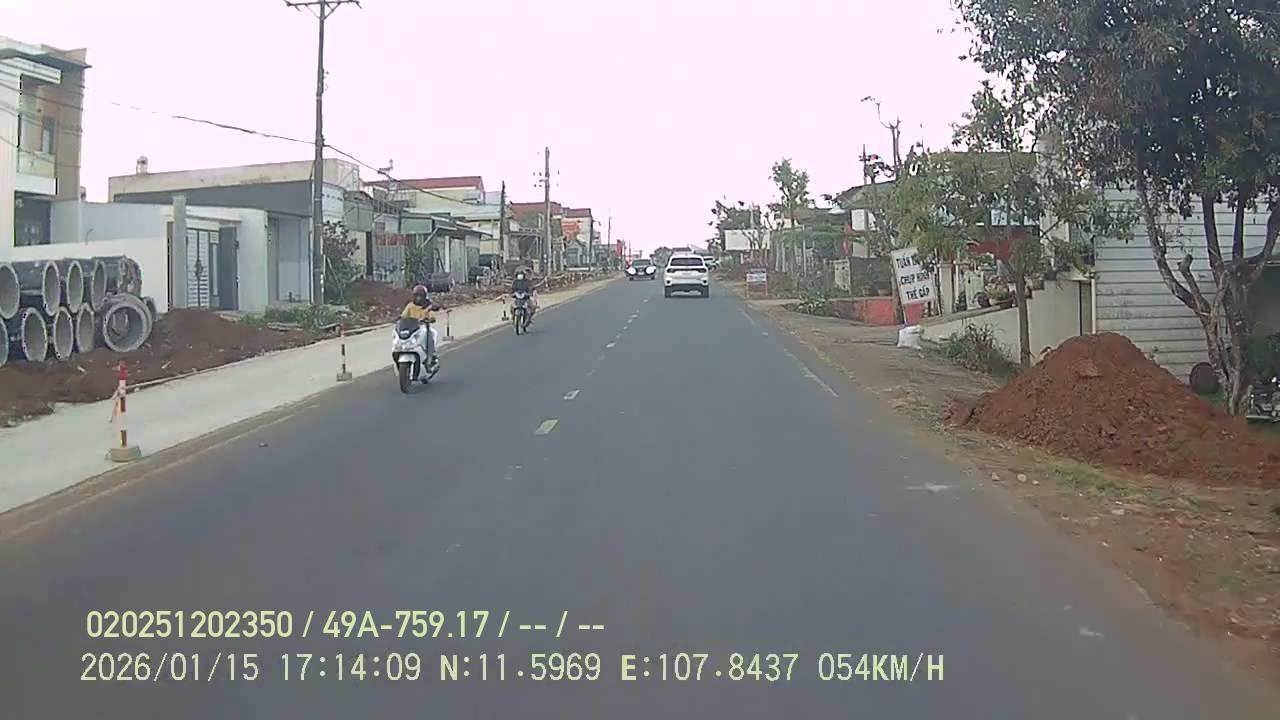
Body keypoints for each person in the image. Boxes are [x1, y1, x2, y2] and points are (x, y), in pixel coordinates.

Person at [401, 284, 439, 369]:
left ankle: (431, 357)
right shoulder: (410, 306)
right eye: (416, 296)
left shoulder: (428, 306)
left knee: (431, 334)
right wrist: (399, 319)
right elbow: (403, 316)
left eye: (420, 296)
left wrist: (430, 318)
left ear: (424, 297)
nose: (418, 298)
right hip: (412, 329)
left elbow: (432, 314)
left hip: (423, 328)